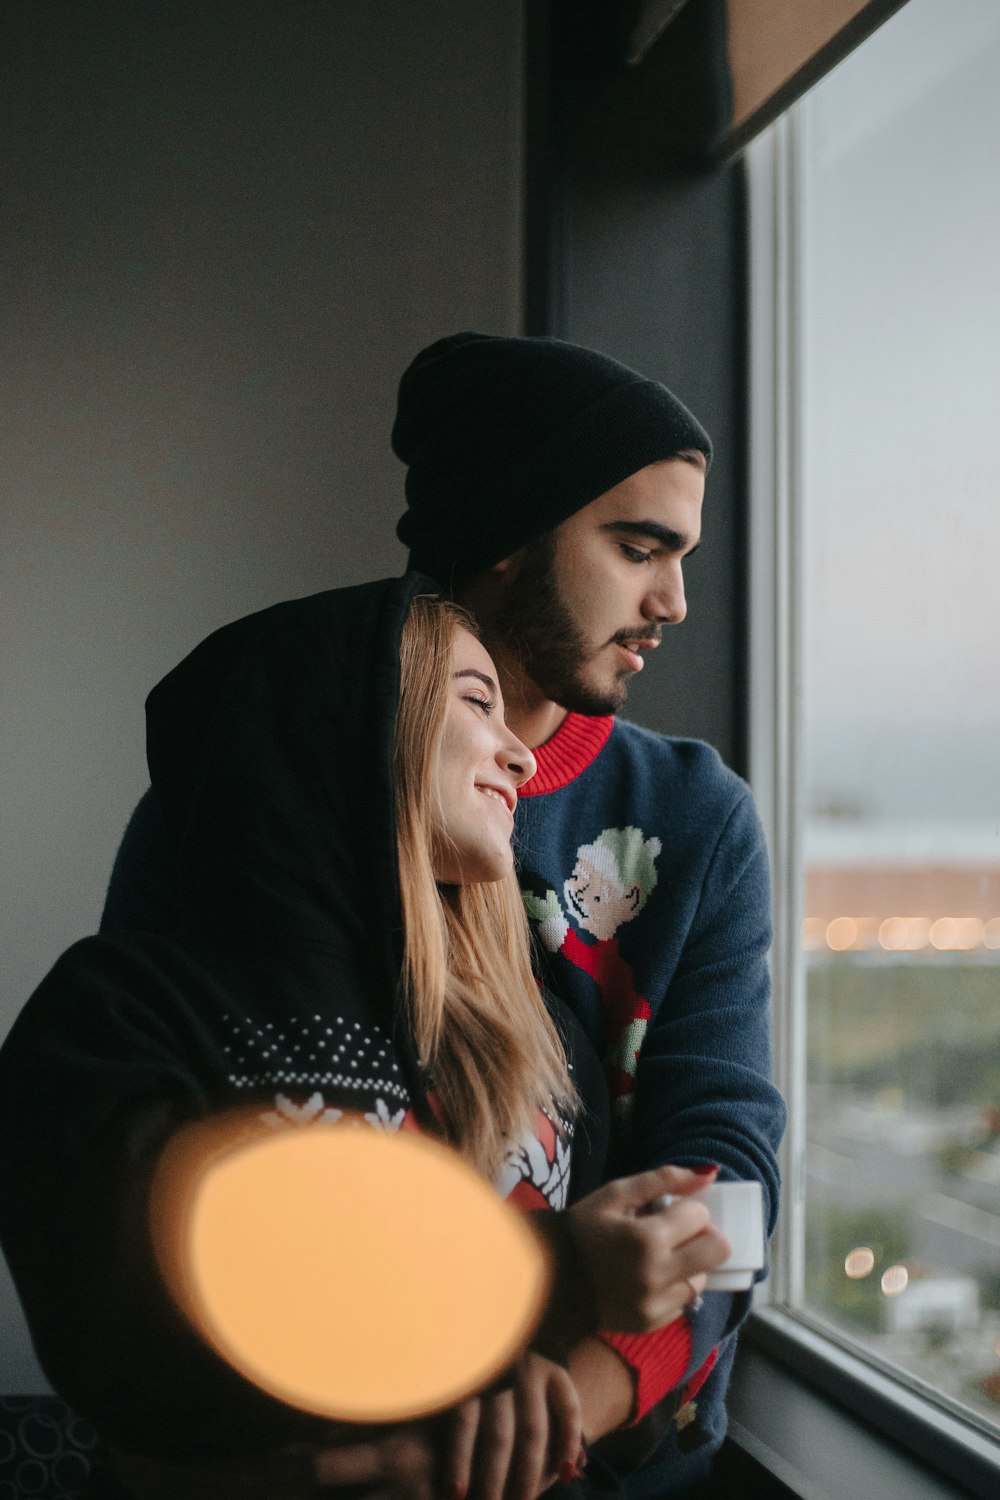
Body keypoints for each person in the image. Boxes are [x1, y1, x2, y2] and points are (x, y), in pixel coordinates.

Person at [100, 332, 785, 1495]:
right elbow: (165, 1164)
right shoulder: (255, 783)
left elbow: (727, 1166)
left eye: (680, 554)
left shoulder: (694, 816)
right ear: (511, 539)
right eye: (636, 547)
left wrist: (570, 1407)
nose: (672, 600)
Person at [0, 576, 732, 1500]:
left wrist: (534, 1383)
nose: (521, 756)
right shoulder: (119, 1014)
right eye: (475, 702)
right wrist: (552, 1276)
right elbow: (138, 1332)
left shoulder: (540, 1047)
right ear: (341, 725)